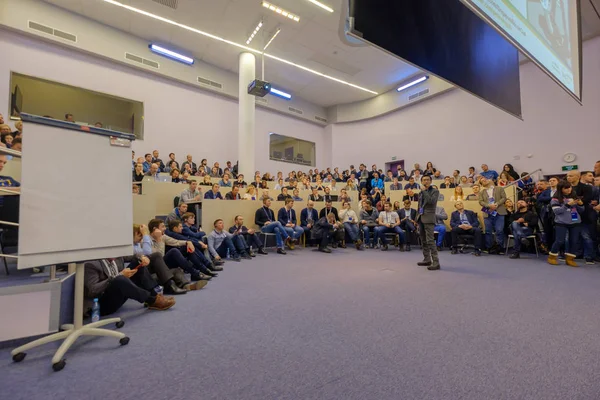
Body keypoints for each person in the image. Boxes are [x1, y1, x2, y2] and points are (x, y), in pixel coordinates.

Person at [84, 258, 176, 315]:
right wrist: (118, 276)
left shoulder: (118, 257)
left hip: (118, 294)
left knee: (138, 263)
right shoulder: (91, 264)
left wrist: (142, 257)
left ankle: (154, 296)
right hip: (101, 305)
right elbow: (92, 290)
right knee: (120, 279)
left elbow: (135, 255)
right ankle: (150, 300)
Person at [132, 224, 187, 294]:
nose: (165, 228)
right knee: (157, 255)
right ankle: (170, 286)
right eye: (162, 226)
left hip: (152, 269)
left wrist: (187, 242)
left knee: (176, 270)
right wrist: (157, 240)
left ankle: (186, 284)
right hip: (140, 274)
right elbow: (149, 253)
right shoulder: (143, 241)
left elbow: (176, 241)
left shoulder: (138, 243)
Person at [547, 181, 584, 267]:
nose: (569, 189)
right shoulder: (555, 199)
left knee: (574, 241)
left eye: (570, 187)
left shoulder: (575, 197)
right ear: (561, 189)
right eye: (566, 188)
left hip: (575, 221)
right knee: (560, 240)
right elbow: (557, 211)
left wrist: (580, 204)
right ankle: (552, 256)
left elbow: (582, 210)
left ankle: (570, 259)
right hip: (561, 222)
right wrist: (567, 205)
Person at [566, 171, 596, 264]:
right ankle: (574, 254)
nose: (568, 178)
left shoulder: (586, 187)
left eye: (571, 176)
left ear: (578, 177)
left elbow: (586, 199)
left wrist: (574, 201)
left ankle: (589, 256)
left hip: (584, 214)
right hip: (570, 215)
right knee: (573, 236)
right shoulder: (566, 188)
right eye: (567, 176)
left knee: (586, 236)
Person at [478, 178, 507, 254]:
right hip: (488, 213)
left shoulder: (499, 188)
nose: (484, 181)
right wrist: (489, 205)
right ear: (482, 184)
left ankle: (500, 248)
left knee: (499, 230)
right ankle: (489, 247)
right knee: (488, 231)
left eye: (485, 179)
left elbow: (504, 198)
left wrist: (496, 204)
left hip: (499, 212)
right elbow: (481, 201)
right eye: (482, 181)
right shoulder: (481, 192)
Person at [417, 176, 441, 270]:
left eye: (427, 180)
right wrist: (417, 218)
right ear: (421, 181)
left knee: (430, 240)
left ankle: (436, 262)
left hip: (429, 218)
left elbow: (431, 201)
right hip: (421, 218)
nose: (426, 181)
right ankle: (427, 259)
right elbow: (419, 206)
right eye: (424, 180)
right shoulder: (421, 192)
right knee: (423, 240)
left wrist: (424, 191)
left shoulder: (435, 191)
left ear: (431, 181)